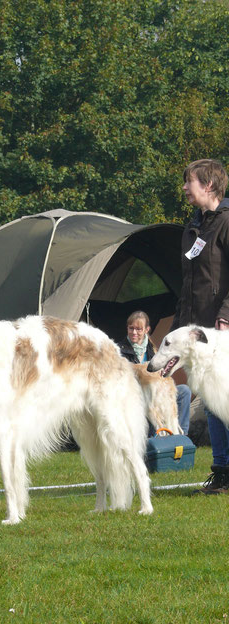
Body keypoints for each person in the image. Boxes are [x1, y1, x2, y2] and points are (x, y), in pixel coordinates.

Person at [172, 158, 229, 494]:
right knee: (210, 399)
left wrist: (226, 313)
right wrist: (179, 326)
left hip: (222, 328)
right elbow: (188, 283)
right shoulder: (193, 227)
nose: (184, 188)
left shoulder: (226, 222)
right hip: (198, 330)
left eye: (189, 181)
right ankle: (221, 471)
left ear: (208, 185)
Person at [118, 311, 191, 435]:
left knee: (184, 391)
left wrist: (164, 372)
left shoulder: (154, 350)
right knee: (151, 399)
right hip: (137, 395)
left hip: (158, 391)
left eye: (139, 329)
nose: (134, 332)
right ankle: (159, 435)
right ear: (127, 328)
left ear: (147, 330)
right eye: (131, 328)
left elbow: (164, 376)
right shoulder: (120, 350)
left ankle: (181, 436)